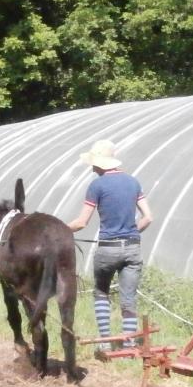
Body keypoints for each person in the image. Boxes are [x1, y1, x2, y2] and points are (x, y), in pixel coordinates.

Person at [66, 140, 154, 346]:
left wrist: (60, 229)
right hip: (132, 248)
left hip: (108, 249)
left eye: (93, 164)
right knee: (129, 298)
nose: (92, 167)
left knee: (101, 292)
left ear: (99, 164)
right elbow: (148, 217)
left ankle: (105, 341)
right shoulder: (133, 182)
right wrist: (131, 232)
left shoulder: (97, 185)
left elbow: (81, 222)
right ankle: (129, 343)